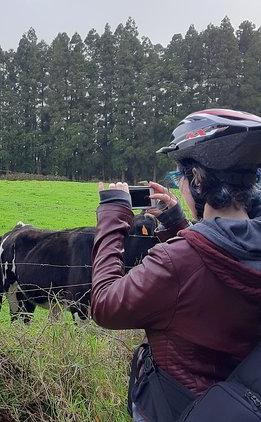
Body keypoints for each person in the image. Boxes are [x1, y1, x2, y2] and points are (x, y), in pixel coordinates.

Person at [91, 109, 261, 421]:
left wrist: (113, 218)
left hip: (174, 406)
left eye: (180, 176)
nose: (179, 185)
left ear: (197, 179)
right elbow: (209, 262)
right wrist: (176, 222)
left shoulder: (175, 261)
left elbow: (104, 305)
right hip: (236, 407)